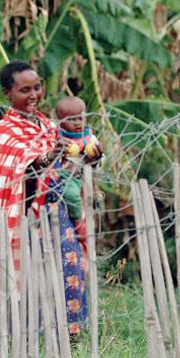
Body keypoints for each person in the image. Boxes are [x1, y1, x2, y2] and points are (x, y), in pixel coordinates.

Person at [0, 60, 88, 335]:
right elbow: (24, 165)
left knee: (67, 275)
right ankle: (4, 339)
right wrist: (48, 156)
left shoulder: (46, 123)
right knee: (18, 283)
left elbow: (68, 161)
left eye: (37, 87)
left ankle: (69, 338)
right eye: (24, 90)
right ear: (8, 94)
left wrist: (85, 153)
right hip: (25, 218)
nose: (33, 95)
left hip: (56, 215)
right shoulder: (5, 129)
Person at [53, 96, 103, 257]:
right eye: (71, 120)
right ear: (60, 121)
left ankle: (79, 223)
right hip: (57, 179)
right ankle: (76, 221)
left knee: (76, 197)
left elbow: (99, 163)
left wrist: (95, 159)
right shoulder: (56, 137)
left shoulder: (89, 138)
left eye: (81, 118)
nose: (78, 123)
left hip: (78, 180)